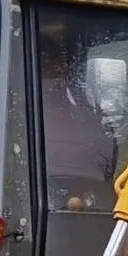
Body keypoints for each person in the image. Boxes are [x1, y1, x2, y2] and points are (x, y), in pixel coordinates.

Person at [40, 33, 117, 207]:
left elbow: (109, 160)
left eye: (58, 68)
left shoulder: (87, 112)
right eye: (48, 71)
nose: (56, 77)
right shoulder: (15, 114)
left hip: (95, 204)